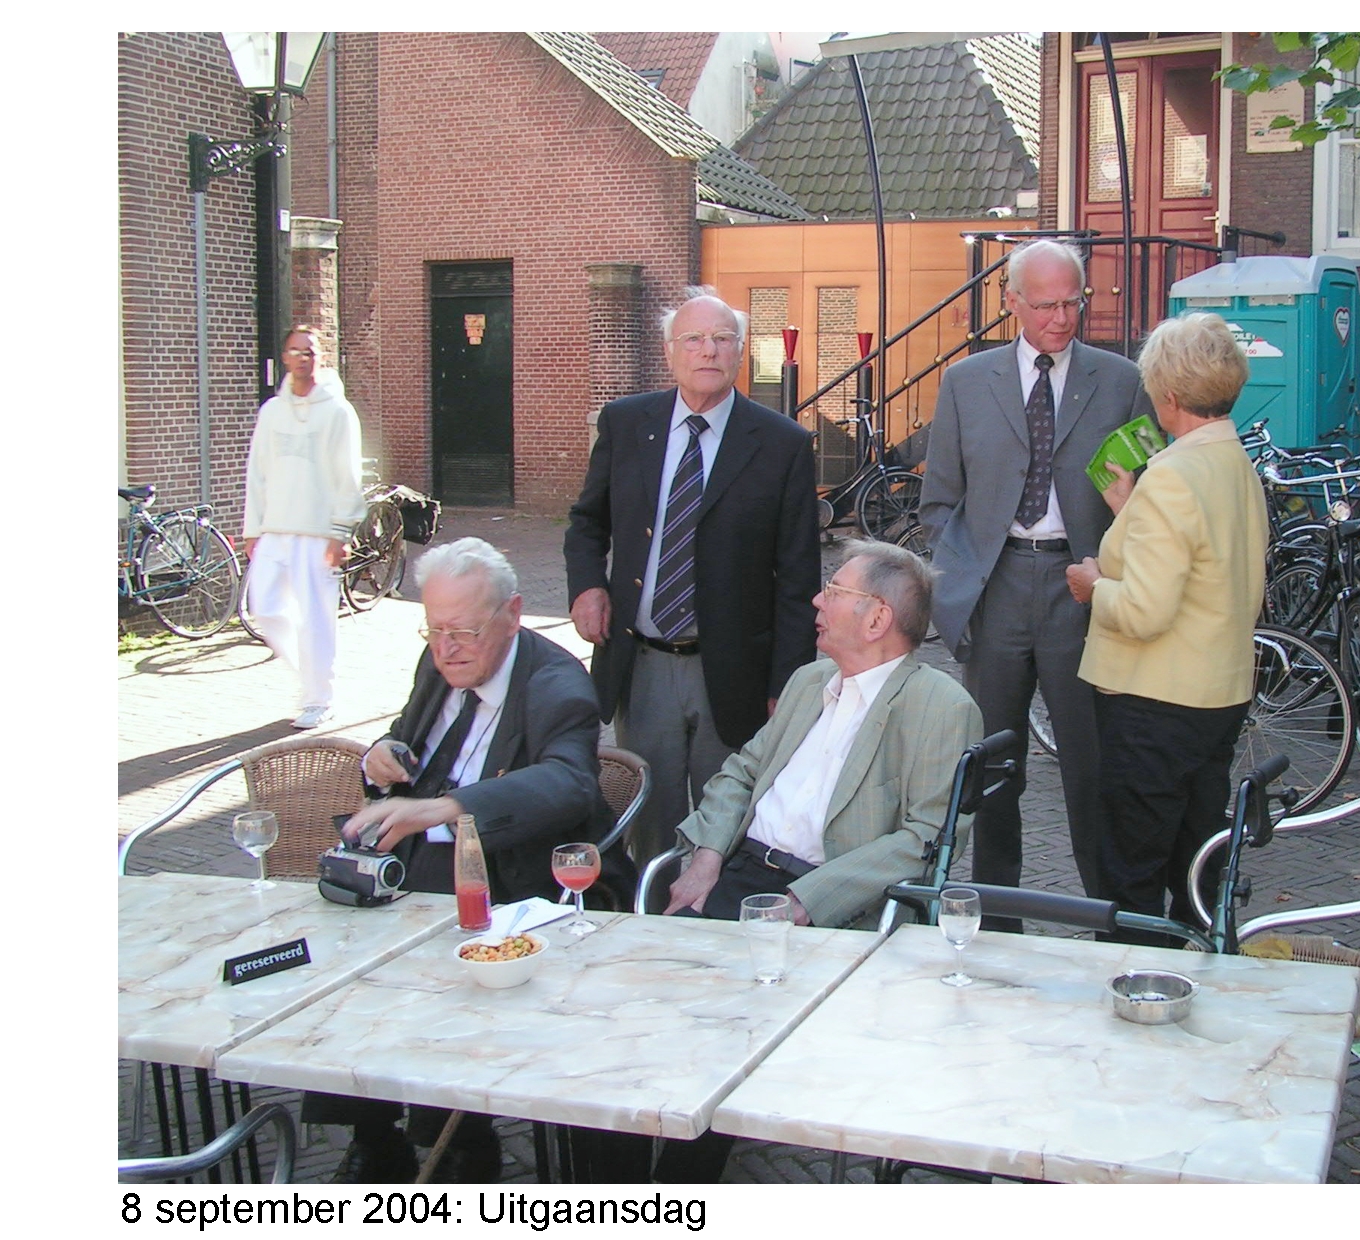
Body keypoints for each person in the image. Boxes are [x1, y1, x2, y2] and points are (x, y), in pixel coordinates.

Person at [582, 539, 982, 1184]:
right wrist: (707, 853)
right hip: (735, 874)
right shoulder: (808, 682)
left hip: (823, 901)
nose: (817, 601)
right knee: (625, 1012)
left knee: (721, 1032)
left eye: (835, 591)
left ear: (877, 618)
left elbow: (926, 839)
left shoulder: (941, 706)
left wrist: (807, 901)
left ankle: (677, 1190)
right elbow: (743, 769)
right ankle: (606, 1192)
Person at [307, 536, 628, 1183]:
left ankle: (456, 1137)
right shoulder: (440, 662)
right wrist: (381, 756)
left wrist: (447, 808)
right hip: (416, 866)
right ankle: (374, 1137)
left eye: (464, 632)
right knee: (340, 966)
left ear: (512, 614)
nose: (446, 648)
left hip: (514, 876)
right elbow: (406, 744)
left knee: (424, 968)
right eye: (434, 630)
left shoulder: (557, 683)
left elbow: (570, 784)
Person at [919, 238, 1154, 918]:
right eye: (1046, 304)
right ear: (1012, 302)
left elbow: (1145, 500)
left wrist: (1111, 573)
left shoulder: (1121, 382)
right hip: (994, 588)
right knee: (993, 764)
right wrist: (962, 574)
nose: (1061, 318)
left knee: (1091, 764)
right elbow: (939, 500)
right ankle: (997, 921)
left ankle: (1111, 917)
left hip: (1082, 588)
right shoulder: (967, 382)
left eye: (1072, 302)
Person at [563, 287, 820, 870]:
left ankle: (718, 919)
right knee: (647, 825)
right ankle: (647, 917)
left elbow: (798, 576)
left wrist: (787, 683)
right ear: (669, 351)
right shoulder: (626, 423)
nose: (709, 350)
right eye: (695, 339)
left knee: (724, 828)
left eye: (723, 339)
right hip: (643, 663)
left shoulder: (782, 444)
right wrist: (587, 586)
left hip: (732, 671)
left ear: (740, 352)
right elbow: (587, 521)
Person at [1064, 313, 1267, 941]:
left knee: (1132, 873)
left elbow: (1144, 612)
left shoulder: (1173, 475)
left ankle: (1137, 979)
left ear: (1169, 395)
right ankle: (1195, 973)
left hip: (1155, 701)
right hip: (1217, 693)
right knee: (1194, 864)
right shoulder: (1231, 459)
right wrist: (1131, 508)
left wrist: (1093, 586)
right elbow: (1207, 559)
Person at [241, 325, 365, 729]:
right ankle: (309, 676)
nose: (301, 358)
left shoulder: (338, 412)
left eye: (309, 352)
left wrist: (341, 532)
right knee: (265, 607)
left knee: (316, 618)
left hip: (318, 533)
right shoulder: (272, 412)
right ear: (285, 357)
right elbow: (258, 471)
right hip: (276, 529)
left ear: (320, 357)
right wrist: (253, 528)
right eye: (294, 351)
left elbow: (347, 475)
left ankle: (319, 698)